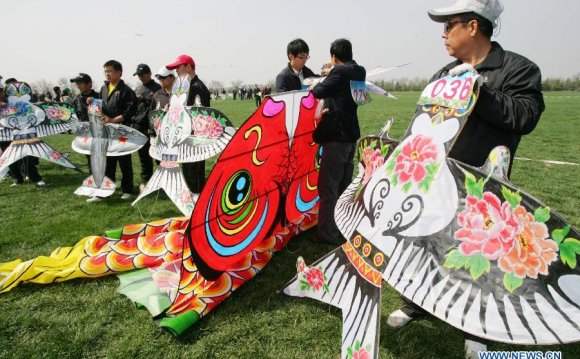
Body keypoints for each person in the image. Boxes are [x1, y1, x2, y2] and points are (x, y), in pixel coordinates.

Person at [385, 1, 545, 358]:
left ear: (473, 26)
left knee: (478, 260)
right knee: (425, 247)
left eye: (449, 24)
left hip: (482, 188)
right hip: (435, 181)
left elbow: (525, 115)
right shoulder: (444, 73)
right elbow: (422, 121)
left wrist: (479, 91)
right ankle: (415, 303)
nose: (443, 33)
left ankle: (476, 327)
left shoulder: (518, 69)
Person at [309, 39, 366, 245]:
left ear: (334, 57)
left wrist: (325, 77)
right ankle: (344, 225)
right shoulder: (360, 71)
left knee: (328, 187)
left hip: (337, 137)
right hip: (351, 136)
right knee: (343, 184)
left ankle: (327, 234)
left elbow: (316, 92)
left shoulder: (339, 72)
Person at [87, 60, 137, 203]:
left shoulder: (127, 91)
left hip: (122, 131)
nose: (107, 74)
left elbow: (130, 112)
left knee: (124, 161)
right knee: (108, 162)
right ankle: (106, 190)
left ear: (119, 73)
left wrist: (113, 120)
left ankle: (127, 190)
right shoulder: (103, 88)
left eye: (110, 71)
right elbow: (101, 106)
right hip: (106, 131)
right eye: (105, 71)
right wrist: (91, 101)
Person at [166, 54, 210, 193]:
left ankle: (197, 204)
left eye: (178, 67)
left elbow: (201, 116)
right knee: (188, 173)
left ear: (189, 67)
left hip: (194, 139)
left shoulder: (197, 87)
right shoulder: (185, 87)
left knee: (194, 176)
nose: (176, 71)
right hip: (184, 136)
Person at [133, 64, 161, 192]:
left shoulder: (158, 88)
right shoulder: (138, 89)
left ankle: (163, 181)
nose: (141, 78)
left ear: (149, 74)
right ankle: (146, 181)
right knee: (144, 157)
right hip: (139, 126)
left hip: (154, 127)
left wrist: (146, 99)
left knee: (159, 156)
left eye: (143, 75)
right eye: (139, 75)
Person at [70, 72, 100, 170]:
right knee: (91, 160)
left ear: (89, 84)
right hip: (85, 135)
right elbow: (73, 117)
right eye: (77, 83)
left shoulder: (99, 96)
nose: (78, 86)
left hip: (99, 134)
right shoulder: (76, 100)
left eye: (80, 83)